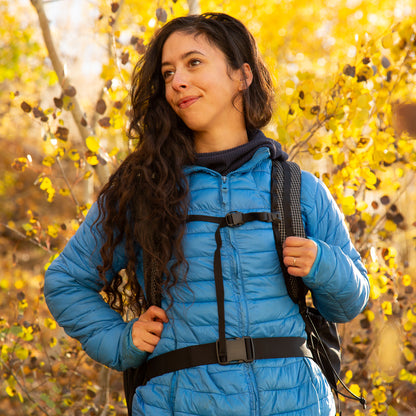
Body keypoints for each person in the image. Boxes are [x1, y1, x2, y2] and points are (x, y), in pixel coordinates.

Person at [44, 12, 370, 416]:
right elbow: (65, 282)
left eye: (193, 62)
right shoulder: (143, 190)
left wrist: (322, 263)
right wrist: (122, 341)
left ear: (242, 75)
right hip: (179, 404)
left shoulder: (296, 189)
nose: (177, 81)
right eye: (167, 73)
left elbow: (350, 302)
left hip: (298, 403)